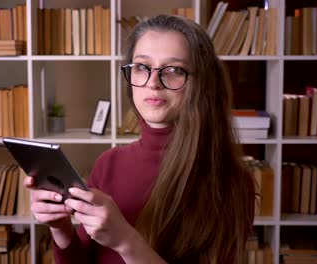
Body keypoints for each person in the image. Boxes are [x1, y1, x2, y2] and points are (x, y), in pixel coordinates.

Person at [25, 14, 255, 263]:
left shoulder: (231, 181)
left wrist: (125, 240)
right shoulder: (108, 163)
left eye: (174, 70)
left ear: (200, 83)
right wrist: (60, 228)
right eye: (142, 67)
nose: (153, 83)